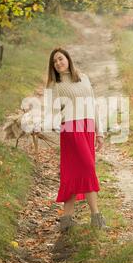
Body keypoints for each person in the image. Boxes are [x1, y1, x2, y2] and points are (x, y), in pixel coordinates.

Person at [46, 47, 108, 232]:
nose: (58, 63)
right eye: (54, 62)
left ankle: (66, 220)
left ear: (68, 59)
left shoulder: (84, 78)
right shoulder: (54, 86)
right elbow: (52, 112)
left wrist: (100, 132)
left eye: (60, 59)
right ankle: (96, 217)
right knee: (88, 169)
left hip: (88, 128)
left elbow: (93, 105)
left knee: (74, 173)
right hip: (71, 129)